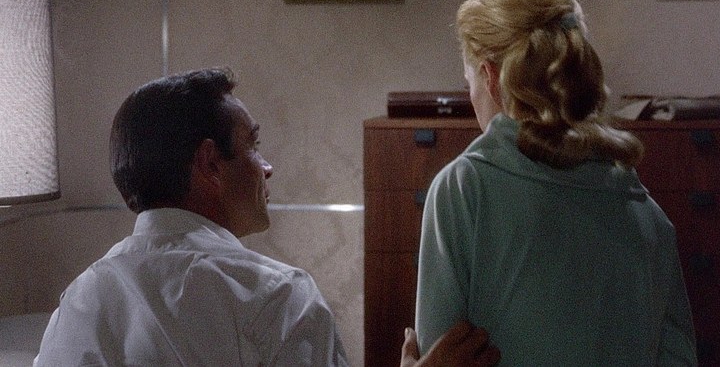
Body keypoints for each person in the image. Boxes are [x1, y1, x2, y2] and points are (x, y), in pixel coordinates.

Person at [35, 68, 496, 366]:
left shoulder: (79, 303)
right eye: (253, 146)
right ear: (211, 164)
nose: (267, 166)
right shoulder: (276, 299)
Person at [414, 0, 698, 366]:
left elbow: (440, 348)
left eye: (470, 85)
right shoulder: (645, 212)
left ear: (491, 79)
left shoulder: (464, 190)